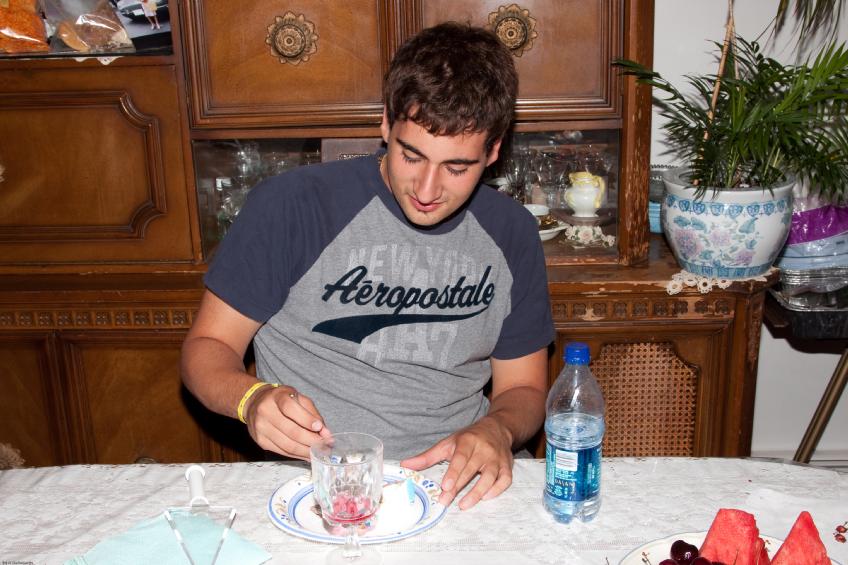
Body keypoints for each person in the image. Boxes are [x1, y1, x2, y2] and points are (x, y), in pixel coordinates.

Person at [181, 22, 554, 511]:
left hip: (459, 484)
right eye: (411, 155)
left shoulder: (512, 231)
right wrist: (250, 400)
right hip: (319, 485)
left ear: (494, 150)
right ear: (385, 124)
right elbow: (207, 348)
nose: (427, 190)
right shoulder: (291, 206)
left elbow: (523, 387)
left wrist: (498, 428)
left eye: (457, 168)